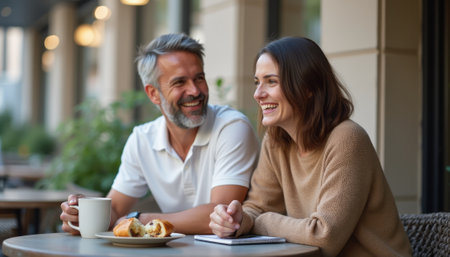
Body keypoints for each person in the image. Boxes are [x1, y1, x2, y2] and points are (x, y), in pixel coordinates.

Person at [209, 37, 411, 257]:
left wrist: (261, 221)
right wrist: (237, 220)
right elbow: (257, 207)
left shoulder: (347, 139)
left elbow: (324, 237)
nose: (258, 94)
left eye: (271, 81)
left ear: (308, 87)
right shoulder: (276, 141)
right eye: (257, 82)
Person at [60, 33, 260, 235]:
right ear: (153, 93)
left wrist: (144, 220)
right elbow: (116, 211)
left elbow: (222, 214)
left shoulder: (231, 127)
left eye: (199, 78)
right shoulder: (142, 140)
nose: (195, 90)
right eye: (180, 82)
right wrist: (84, 216)